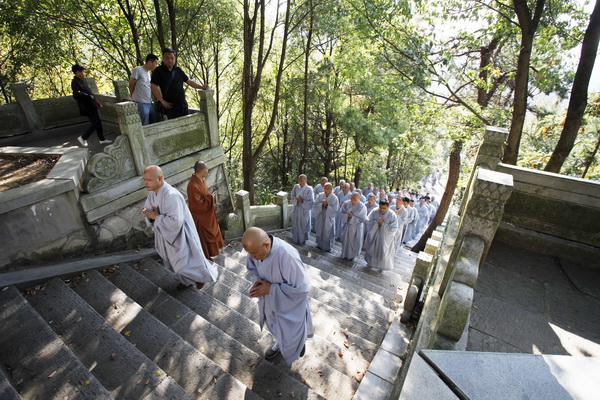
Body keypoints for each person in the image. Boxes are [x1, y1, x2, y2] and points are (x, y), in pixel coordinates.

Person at [242, 227, 313, 365]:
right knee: (274, 325)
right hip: (269, 300)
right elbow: (252, 269)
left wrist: (271, 288)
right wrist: (257, 282)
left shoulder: (288, 256)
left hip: (289, 303)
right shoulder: (256, 250)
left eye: (254, 254)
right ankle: (281, 344)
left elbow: (302, 289)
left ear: (267, 245)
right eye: (249, 253)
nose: (252, 257)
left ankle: (298, 344)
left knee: (291, 331)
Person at [142, 165, 218, 290]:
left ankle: (201, 278)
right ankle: (187, 281)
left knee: (186, 263)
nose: (146, 183)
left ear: (160, 179)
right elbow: (149, 211)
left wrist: (157, 217)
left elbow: (176, 222)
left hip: (181, 235)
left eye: (149, 180)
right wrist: (150, 216)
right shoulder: (152, 194)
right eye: (144, 179)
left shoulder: (171, 195)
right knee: (173, 262)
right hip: (165, 234)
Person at [151, 47, 208, 120]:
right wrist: (162, 101)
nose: (170, 60)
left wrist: (202, 87)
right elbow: (153, 86)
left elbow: (189, 81)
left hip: (182, 105)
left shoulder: (178, 70)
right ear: (163, 58)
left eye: (172, 58)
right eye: (167, 58)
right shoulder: (158, 71)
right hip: (171, 107)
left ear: (174, 58)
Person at [187, 161, 224, 260]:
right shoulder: (192, 185)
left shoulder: (201, 180)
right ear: (201, 171)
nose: (207, 171)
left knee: (213, 229)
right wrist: (210, 198)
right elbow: (197, 206)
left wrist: (209, 197)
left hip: (206, 213)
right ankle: (205, 256)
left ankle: (212, 252)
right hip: (199, 216)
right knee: (203, 237)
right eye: (206, 169)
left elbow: (204, 196)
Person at [71, 64, 111, 147]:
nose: (83, 73)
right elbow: (76, 95)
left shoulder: (81, 81)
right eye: (82, 72)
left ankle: (102, 139)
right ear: (77, 72)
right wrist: (88, 96)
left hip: (92, 105)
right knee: (95, 123)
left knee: (98, 123)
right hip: (87, 107)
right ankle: (83, 137)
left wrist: (97, 102)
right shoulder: (75, 82)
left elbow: (90, 93)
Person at [365, 200, 398, 273]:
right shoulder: (374, 211)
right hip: (374, 235)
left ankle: (381, 268)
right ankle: (370, 264)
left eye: (384, 208)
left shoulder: (392, 215)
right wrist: (376, 223)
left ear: (388, 207)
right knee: (372, 248)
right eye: (380, 208)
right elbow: (368, 221)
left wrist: (383, 225)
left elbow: (394, 229)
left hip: (385, 238)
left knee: (383, 251)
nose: (382, 210)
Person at [129, 53, 159, 125]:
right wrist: (132, 94)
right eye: (155, 63)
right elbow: (131, 84)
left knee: (152, 120)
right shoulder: (138, 69)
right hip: (140, 102)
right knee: (144, 123)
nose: (156, 66)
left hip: (148, 101)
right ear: (149, 62)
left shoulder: (148, 73)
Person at [339, 192, 367, 261]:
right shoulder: (346, 203)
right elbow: (341, 213)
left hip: (356, 228)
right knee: (345, 241)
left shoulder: (362, 207)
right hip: (347, 226)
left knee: (354, 242)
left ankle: (352, 256)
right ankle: (344, 254)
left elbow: (362, 219)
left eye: (355, 200)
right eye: (351, 199)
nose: (353, 201)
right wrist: (347, 216)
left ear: (359, 199)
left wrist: (352, 217)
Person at [313, 182, 339, 252]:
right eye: (325, 188)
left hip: (328, 218)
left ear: (331, 189)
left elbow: (335, 210)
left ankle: (327, 247)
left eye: (327, 189)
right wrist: (322, 204)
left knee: (327, 232)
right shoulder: (320, 195)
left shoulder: (334, 198)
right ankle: (319, 244)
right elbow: (315, 205)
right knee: (320, 230)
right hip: (320, 217)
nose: (325, 190)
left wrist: (327, 205)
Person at [291, 174, 314, 245]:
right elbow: (292, 196)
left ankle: (302, 240)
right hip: (296, 209)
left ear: (306, 180)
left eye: (303, 180)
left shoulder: (309, 189)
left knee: (303, 225)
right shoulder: (295, 187)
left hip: (304, 210)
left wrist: (302, 200)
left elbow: (311, 201)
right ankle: (295, 239)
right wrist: (296, 199)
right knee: (296, 224)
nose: (301, 182)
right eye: (300, 180)